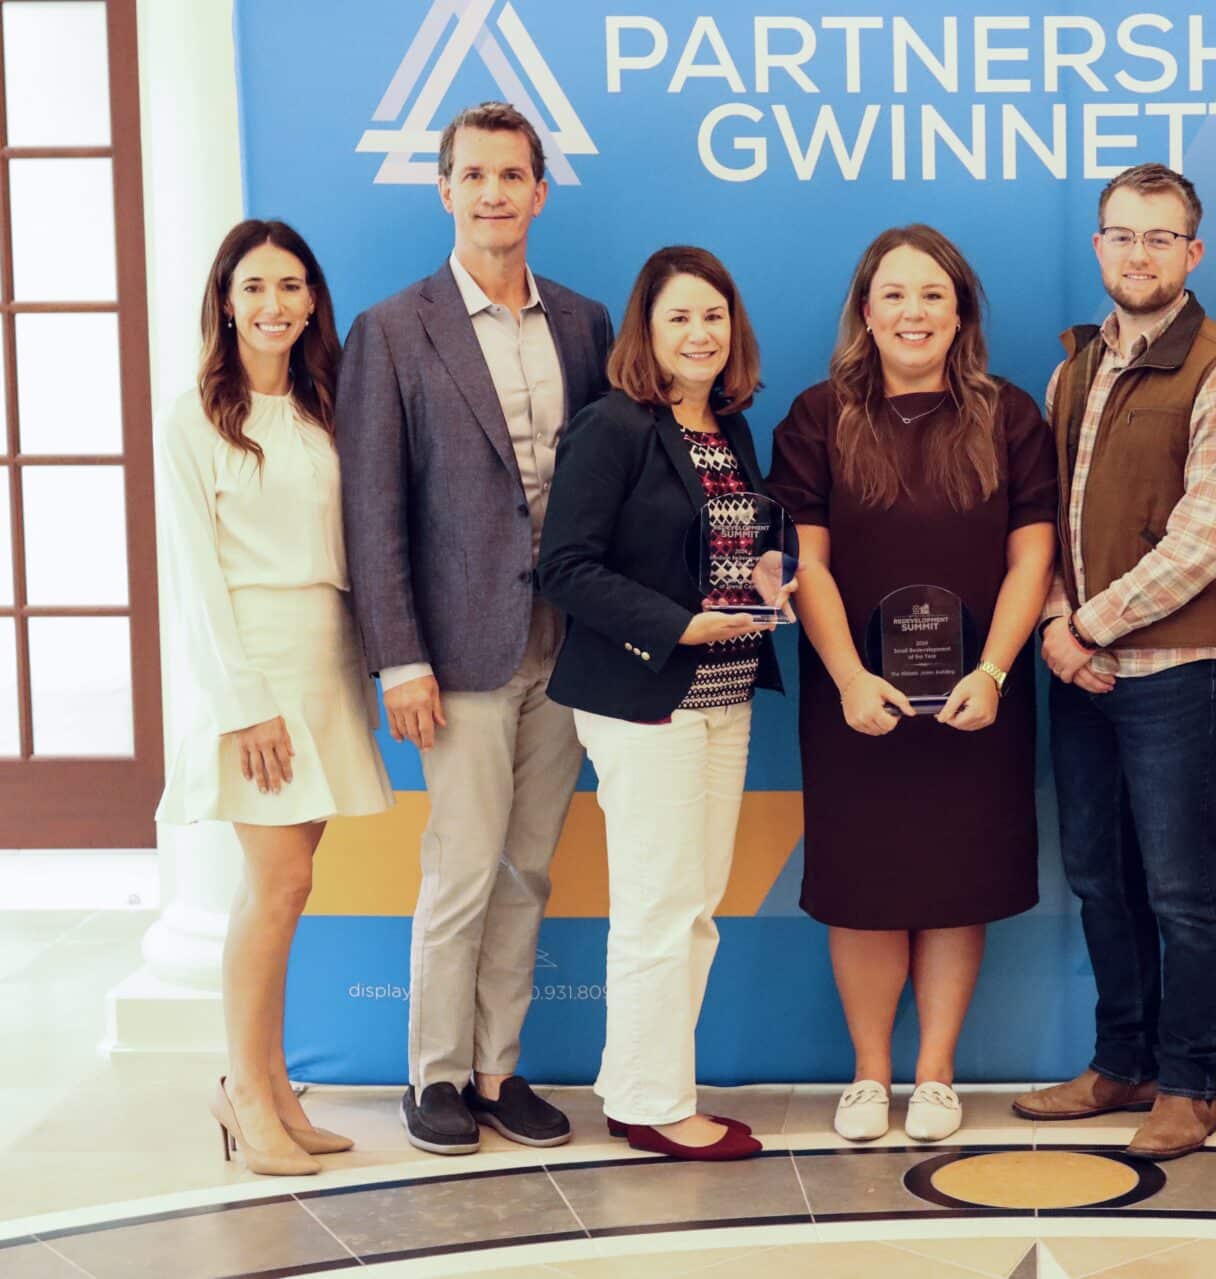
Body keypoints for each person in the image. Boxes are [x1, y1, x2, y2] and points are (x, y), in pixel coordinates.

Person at [338, 102, 614, 1156]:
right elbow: (375, 511)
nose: (494, 192)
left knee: (528, 867)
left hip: (568, 644)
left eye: (513, 175)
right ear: (443, 189)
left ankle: (499, 1071)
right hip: (453, 653)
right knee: (460, 866)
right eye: (474, 175)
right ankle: (434, 1075)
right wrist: (398, 657)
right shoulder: (393, 330)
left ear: (540, 192)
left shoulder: (585, 324)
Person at [767, 225, 1057, 1143]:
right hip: (853, 699)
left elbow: (1033, 557)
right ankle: (869, 1075)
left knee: (954, 877)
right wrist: (848, 676)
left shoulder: (1010, 416)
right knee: (864, 881)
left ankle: (934, 1074)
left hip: (979, 695)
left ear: (960, 309)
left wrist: (996, 671)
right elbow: (803, 561)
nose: (913, 312)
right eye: (894, 294)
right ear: (865, 310)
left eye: (932, 294)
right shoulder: (816, 417)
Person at [1011, 163, 1216, 1161]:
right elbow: (1046, 518)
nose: (1138, 254)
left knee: (1178, 886)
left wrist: (1091, 626)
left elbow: (1206, 536)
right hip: (1079, 665)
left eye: (1159, 238)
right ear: (1097, 247)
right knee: (1095, 876)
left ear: (1192, 253)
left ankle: (1188, 1083)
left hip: (1177, 669)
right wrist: (1052, 620)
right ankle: (1116, 1061)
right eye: (1122, 236)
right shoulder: (1074, 367)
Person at [157, 219, 394, 1176]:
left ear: (312, 300)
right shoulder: (195, 419)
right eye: (254, 287)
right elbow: (196, 577)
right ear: (225, 299)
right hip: (252, 665)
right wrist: (240, 701)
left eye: (291, 286)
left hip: (326, 654)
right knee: (276, 886)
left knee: (294, 891)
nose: (274, 305)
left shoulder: (327, 406)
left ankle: (276, 1082)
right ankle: (243, 1090)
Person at [535, 246, 778, 1162]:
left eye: (712, 315)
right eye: (678, 316)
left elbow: (725, 549)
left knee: (695, 903)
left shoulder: (730, 431)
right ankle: (652, 1102)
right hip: (645, 697)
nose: (699, 332)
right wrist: (680, 625)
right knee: (658, 903)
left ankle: (647, 1085)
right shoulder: (613, 426)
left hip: (724, 694)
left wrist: (765, 586)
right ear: (646, 329)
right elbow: (565, 568)